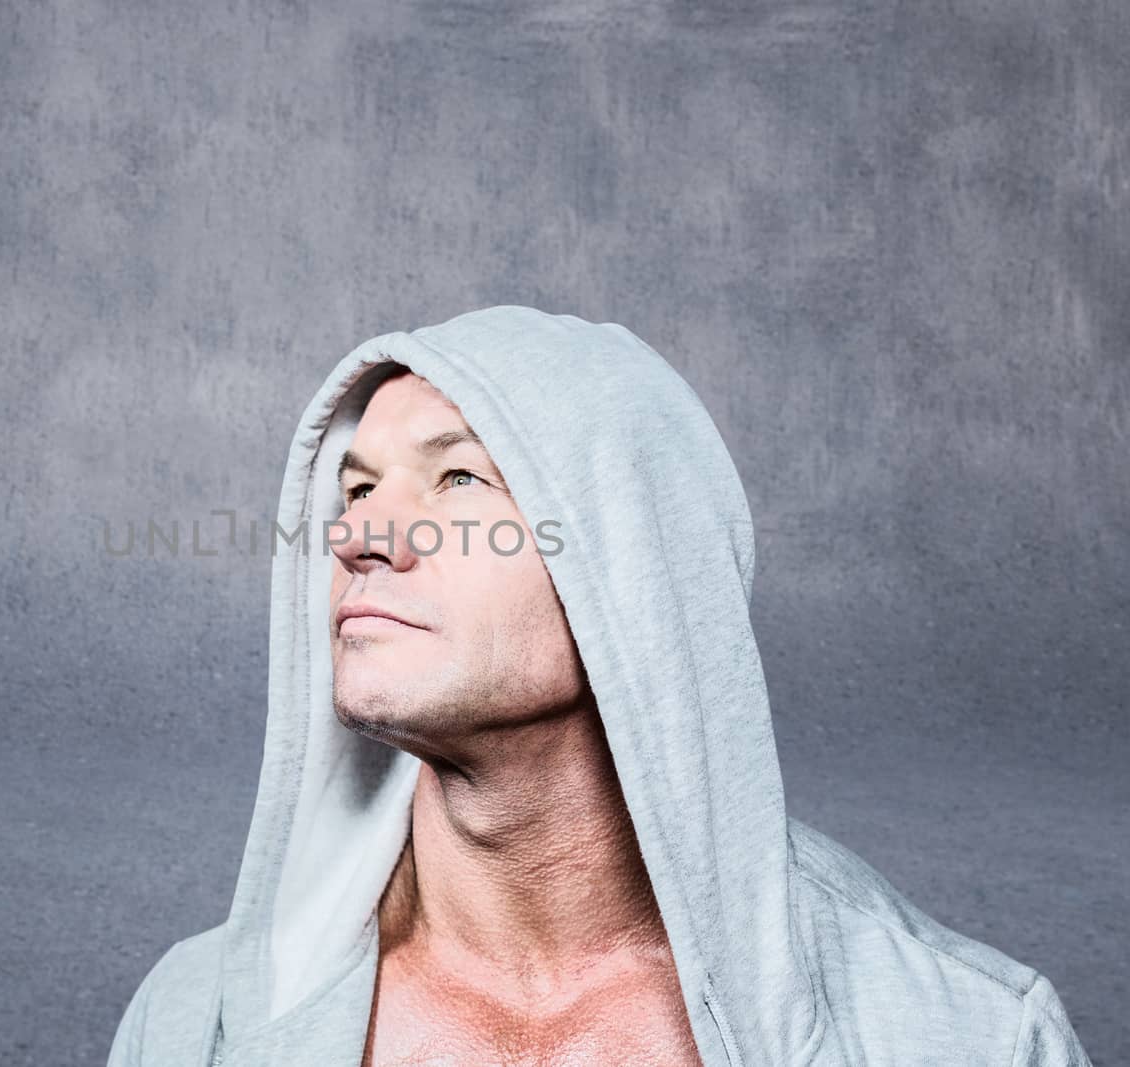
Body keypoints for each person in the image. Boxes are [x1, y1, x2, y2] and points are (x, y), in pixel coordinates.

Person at [106, 305, 1094, 1066]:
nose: (357, 533)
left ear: (641, 570)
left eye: (459, 481)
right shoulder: (197, 1019)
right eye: (356, 488)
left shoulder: (963, 1033)